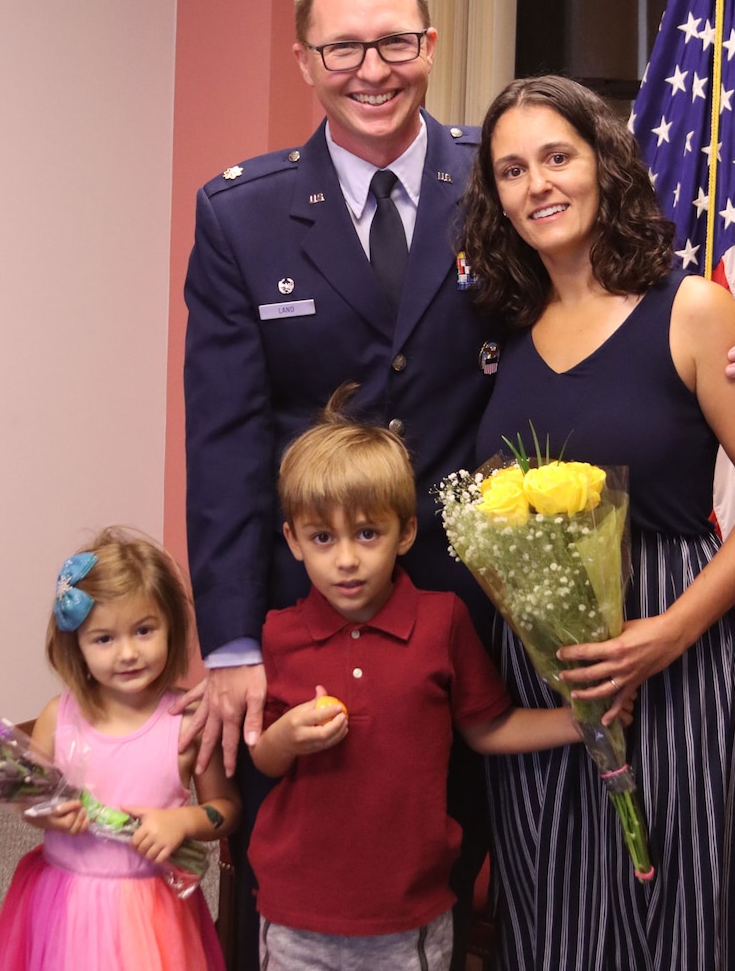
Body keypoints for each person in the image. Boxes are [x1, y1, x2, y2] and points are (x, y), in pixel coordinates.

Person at [180, 0, 735, 971]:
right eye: (343, 46)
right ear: (305, 59)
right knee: (323, 876)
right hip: (322, 611)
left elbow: (642, 324)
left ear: (429, 45)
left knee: (476, 884)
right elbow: (226, 439)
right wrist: (235, 642)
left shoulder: (501, 176)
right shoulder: (243, 212)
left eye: (397, 42)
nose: (372, 68)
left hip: (488, 607)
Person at [459, 74, 735, 971]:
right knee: (548, 897)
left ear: (604, 165)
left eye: (557, 156)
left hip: (674, 636)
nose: (538, 185)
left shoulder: (692, 310)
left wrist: (667, 632)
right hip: (541, 654)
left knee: (671, 904)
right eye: (512, 170)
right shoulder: (505, 325)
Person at [248, 385, 629, 970]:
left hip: (410, 913)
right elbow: (265, 759)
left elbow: (488, 727)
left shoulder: (440, 621)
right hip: (297, 910)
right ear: (294, 542)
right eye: (323, 538)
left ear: (405, 533)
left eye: (366, 534)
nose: (346, 559)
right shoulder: (279, 634)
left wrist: (579, 720)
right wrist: (287, 738)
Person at [0, 527, 241, 971]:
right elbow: (26, 799)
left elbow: (227, 808)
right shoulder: (56, 718)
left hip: (153, 912)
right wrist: (40, 812)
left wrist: (182, 820)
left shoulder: (185, 723)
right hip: (65, 903)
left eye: (144, 630)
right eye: (104, 639)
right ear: (76, 647)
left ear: (172, 629)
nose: (127, 653)